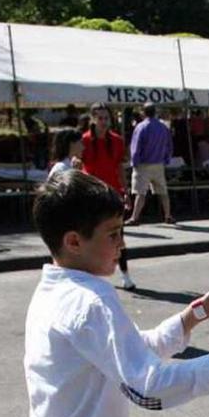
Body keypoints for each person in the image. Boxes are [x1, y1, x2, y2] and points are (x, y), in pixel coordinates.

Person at [23, 170, 209, 417]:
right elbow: (148, 385)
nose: (122, 244)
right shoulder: (91, 301)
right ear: (74, 241)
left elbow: (131, 348)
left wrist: (198, 312)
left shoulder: (51, 291)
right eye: (113, 235)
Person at [81, 104, 135, 290]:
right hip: (92, 195)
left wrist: (126, 191)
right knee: (92, 235)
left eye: (107, 118)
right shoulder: (85, 141)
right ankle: (91, 274)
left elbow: (119, 168)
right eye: (100, 118)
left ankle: (125, 275)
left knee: (118, 236)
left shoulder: (117, 141)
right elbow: (80, 167)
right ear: (93, 119)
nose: (104, 122)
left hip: (113, 194)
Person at [127, 102, 175, 225]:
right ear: (155, 112)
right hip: (159, 164)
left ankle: (134, 217)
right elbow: (169, 145)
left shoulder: (141, 127)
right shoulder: (164, 127)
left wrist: (134, 162)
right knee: (163, 191)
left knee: (140, 193)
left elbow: (135, 146)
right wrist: (166, 160)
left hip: (143, 164)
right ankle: (168, 215)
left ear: (143, 112)